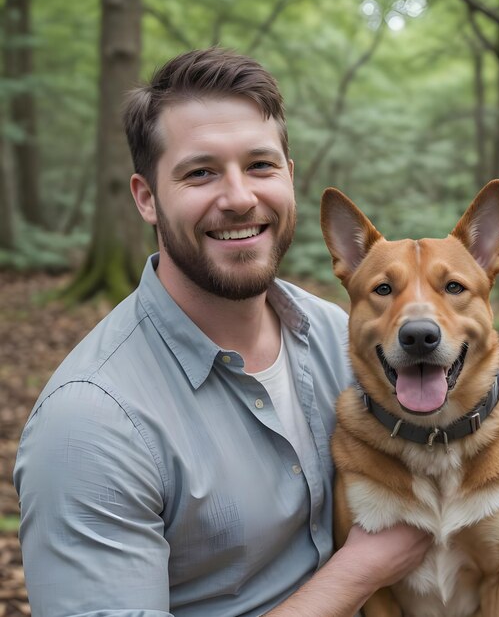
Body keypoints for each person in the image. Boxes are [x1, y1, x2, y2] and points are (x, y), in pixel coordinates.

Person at [14, 48, 431, 617]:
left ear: (290, 176)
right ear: (146, 198)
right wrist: (357, 573)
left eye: (260, 165)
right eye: (201, 172)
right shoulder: (90, 424)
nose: (239, 198)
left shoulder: (344, 339)